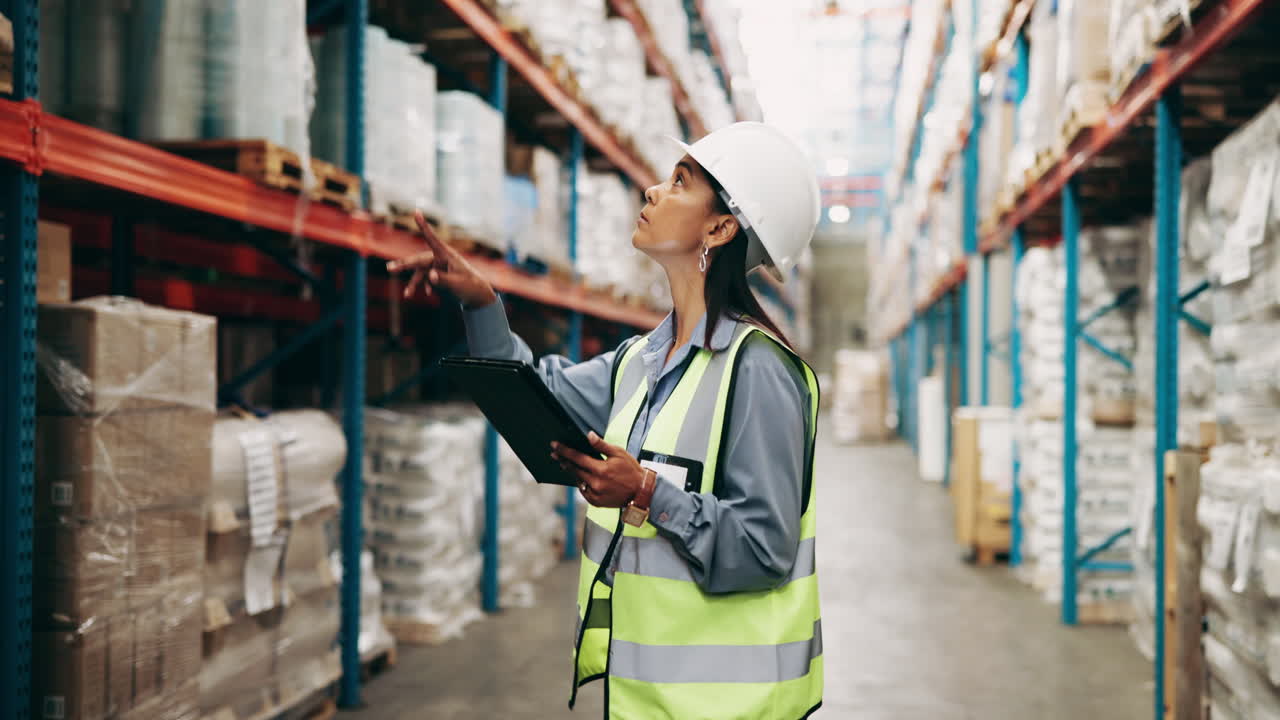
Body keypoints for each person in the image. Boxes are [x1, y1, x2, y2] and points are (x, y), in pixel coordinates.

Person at [388, 122, 824, 719]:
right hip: (646, 700)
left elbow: (765, 549)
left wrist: (646, 492)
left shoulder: (759, 373)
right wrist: (482, 303)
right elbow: (535, 397)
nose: (651, 191)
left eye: (679, 183)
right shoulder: (639, 363)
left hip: (727, 706)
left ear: (721, 228)